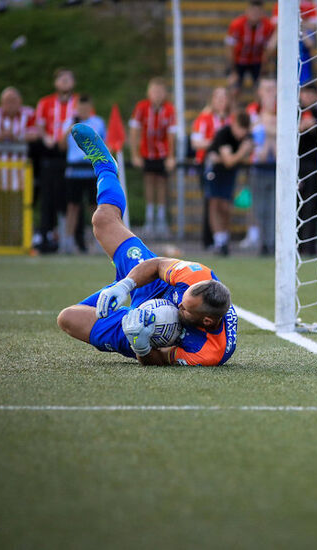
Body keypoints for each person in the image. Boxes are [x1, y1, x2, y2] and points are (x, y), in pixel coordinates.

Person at [56, 123, 238, 366]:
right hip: (155, 285)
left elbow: (160, 359)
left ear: (206, 322)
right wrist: (124, 286)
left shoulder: (208, 352)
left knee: (68, 318)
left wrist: (140, 342)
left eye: (184, 309)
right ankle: (106, 166)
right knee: (102, 220)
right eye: (181, 299)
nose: (178, 304)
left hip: (148, 332)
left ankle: (128, 322)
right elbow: (157, 265)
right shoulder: (195, 276)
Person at [0, 86, 39, 246]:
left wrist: (15, 136)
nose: (10, 104)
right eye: (7, 101)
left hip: (18, 176)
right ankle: (2, 242)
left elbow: (34, 134)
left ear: (20, 102)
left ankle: (16, 242)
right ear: (1, 103)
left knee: (17, 212)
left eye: (13, 101)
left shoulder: (27, 114)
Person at [35, 68, 79, 253]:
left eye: (68, 78)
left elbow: (85, 123)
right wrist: (46, 138)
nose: (65, 82)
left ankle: (69, 238)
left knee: (69, 198)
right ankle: (47, 235)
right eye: (61, 79)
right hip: (50, 154)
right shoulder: (45, 103)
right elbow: (39, 126)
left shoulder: (78, 103)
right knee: (48, 197)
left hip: (70, 156)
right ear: (55, 83)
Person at [129, 77, 177, 238]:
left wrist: (171, 156)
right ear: (148, 92)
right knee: (149, 180)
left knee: (162, 182)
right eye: (154, 91)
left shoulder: (169, 110)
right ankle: (150, 218)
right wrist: (135, 154)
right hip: (146, 152)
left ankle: (161, 218)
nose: (157, 95)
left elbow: (171, 135)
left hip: (162, 152)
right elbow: (134, 131)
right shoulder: (142, 107)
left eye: (160, 92)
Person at [58, 95, 105, 254]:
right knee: (72, 206)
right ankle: (68, 242)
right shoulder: (69, 123)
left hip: (92, 170)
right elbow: (61, 146)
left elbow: (103, 145)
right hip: (74, 171)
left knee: (95, 207)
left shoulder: (97, 122)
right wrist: (70, 127)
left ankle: (99, 242)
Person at [204, 112, 254, 256]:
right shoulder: (224, 134)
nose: (241, 133)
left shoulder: (247, 137)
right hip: (214, 171)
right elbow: (229, 161)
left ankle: (224, 239)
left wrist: (238, 156)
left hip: (229, 173)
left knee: (225, 205)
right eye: (240, 129)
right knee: (214, 203)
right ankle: (218, 241)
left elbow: (234, 161)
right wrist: (242, 151)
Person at [191, 87, 231, 250]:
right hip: (208, 165)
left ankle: (223, 236)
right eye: (218, 98)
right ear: (212, 100)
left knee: (225, 204)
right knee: (212, 201)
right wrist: (217, 144)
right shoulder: (204, 119)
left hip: (228, 166)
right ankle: (215, 240)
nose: (221, 101)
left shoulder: (231, 119)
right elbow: (196, 142)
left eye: (224, 98)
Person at [241, 77, 277, 250]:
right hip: (258, 167)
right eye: (267, 89)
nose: (270, 93)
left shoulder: (284, 111)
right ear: (260, 92)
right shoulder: (252, 112)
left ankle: (272, 242)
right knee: (259, 207)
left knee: (274, 207)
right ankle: (260, 240)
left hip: (277, 168)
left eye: (273, 89)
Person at [225, 0, 275, 92]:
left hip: (257, 60)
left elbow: (268, 49)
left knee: (260, 88)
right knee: (233, 87)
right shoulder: (237, 24)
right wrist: (233, 70)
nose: (254, 15)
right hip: (238, 60)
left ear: (262, 13)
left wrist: (263, 69)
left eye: (258, 12)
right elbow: (229, 47)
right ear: (247, 11)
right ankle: (233, 106)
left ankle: (258, 105)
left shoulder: (268, 26)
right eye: (252, 11)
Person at [297, 83, 317, 256]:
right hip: (298, 166)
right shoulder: (293, 113)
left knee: (312, 207)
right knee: (296, 205)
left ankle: (310, 246)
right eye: (305, 93)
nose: (308, 97)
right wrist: (301, 128)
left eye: (312, 94)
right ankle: (295, 244)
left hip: (315, 167)